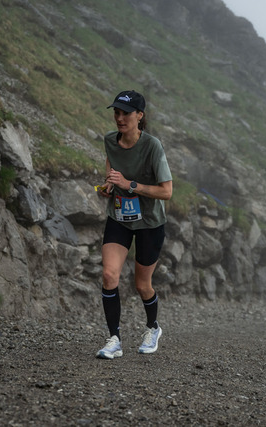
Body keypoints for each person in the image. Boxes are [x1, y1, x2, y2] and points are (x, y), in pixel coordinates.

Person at [95, 90, 173, 359]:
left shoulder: (152, 146)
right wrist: (108, 186)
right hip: (120, 218)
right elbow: (111, 171)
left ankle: (153, 328)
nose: (119, 118)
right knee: (109, 275)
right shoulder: (110, 140)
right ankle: (114, 340)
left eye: (126, 113)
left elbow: (166, 192)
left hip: (150, 222)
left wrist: (130, 185)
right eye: (116, 113)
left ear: (140, 116)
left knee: (142, 285)